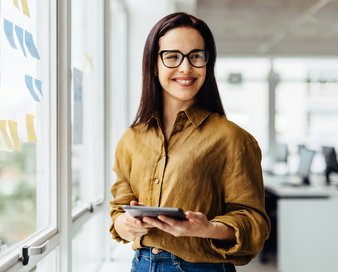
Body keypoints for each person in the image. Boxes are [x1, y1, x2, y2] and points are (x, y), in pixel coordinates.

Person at [109, 12, 270, 272]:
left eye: (196, 56)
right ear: (154, 64)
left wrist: (208, 228)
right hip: (141, 265)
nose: (186, 68)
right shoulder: (131, 138)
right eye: (172, 56)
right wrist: (127, 224)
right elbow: (118, 211)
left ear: (208, 63)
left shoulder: (233, 139)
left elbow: (255, 225)